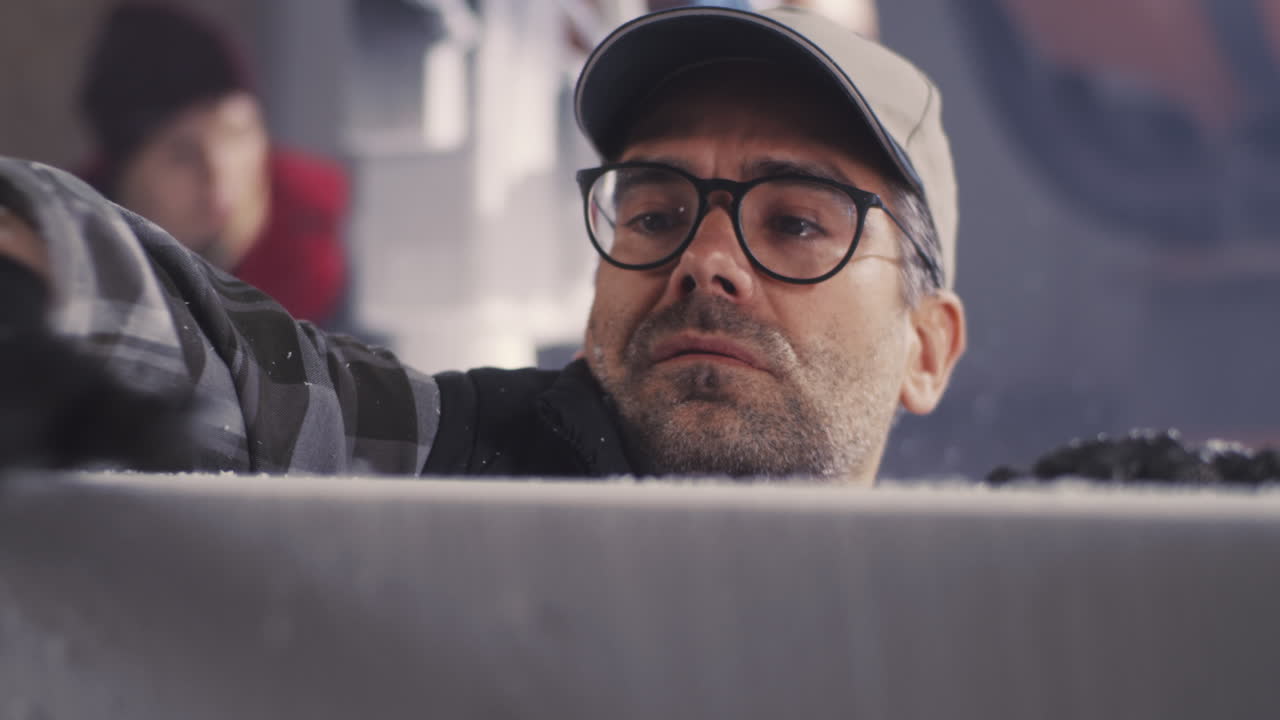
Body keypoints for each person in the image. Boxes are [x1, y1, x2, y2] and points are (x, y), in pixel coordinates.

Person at [0, 5, 965, 483]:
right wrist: (41, 269)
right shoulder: (443, 461)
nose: (702, 260)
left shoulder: (973, 625)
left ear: (927, 347)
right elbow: (232, 368)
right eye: (657, 214)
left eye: (795, 223)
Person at [76, 2, 349, 327]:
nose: (220, 176)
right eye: (182, 154)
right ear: (124, 174)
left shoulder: (309, 245)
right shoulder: (70, 253)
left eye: (236, 134)